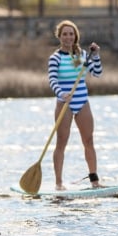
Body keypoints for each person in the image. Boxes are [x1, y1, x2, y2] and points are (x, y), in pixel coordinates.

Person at [48, 19, 103, 190]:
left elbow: (97, 73)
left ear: (75, 36)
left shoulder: (83, 56)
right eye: (65, 34)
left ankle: (94, 180)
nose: (68, 37)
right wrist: (62, 94)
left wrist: (96, 55)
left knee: (88, 140)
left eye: (71, 34)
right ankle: (58, 183)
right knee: (61, 142)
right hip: (65, 103)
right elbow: (52, 80)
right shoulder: (55, 58)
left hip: (82, 102)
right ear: (60, 36)